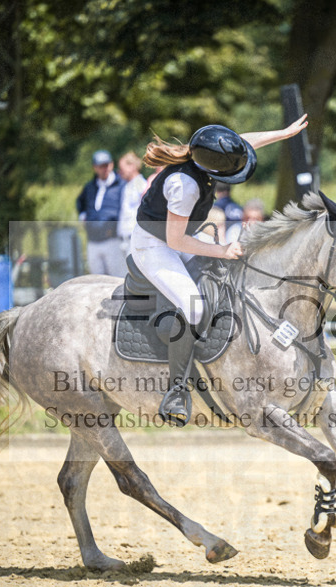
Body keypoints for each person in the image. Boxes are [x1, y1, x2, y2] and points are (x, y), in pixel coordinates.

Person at [133, 115, 308, 426]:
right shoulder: (183, 184)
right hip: (155, 245)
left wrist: (283, 134)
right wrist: (222, 250)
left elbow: (244, 142)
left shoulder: (204, 154)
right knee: (194, 306)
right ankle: (176, 392)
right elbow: (175, 240)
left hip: (182, 236)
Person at [76, 149, 127, 277]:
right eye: (100, 166)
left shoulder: (121, 185)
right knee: (96, 280)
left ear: (111, 165)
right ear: (95, 167)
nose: (104, 169)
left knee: (116, 279)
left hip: (112, 239)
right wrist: (83, 216)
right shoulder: (90, 187)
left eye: (106, 165)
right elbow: (80, 202)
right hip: (93, 240)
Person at [116, 151, 147, 254]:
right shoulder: (127, 186)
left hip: (134, 238)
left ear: (132, 166)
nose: (120, 172)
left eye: (122, 168)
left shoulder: (141, 185)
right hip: (124, 239)